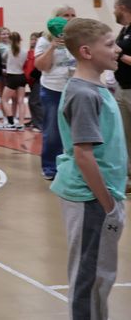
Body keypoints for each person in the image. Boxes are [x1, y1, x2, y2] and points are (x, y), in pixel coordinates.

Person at [50, 17, 126, 320]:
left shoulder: (97, 87)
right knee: (90, 277)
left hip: (100, 196)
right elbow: (84, 155)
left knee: (100, 275)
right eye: (109, 44)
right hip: (91, 198)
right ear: (86, 51)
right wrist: (107, 203)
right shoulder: (83, 93)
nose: (118, 49)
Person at [38, 6, 78, 180]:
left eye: (72, 15)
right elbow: (42, 66)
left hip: (76, 88)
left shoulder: (78, 37)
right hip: (53, 89)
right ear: (57, 18)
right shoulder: (44, 40)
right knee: (53, 131)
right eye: (65, 16)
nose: (69, 18)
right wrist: (53, 47)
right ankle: (50, 168)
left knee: (77, 130)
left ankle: (75, 166)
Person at [112, 0, 131, 188]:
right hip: (121, 89)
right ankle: (126, 178)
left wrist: (120, 55)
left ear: (123, 7)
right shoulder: (123, 31)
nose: (113, 11)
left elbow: (122, 55)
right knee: (124, 135)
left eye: (115, 7)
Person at [2, 31, 29, 130]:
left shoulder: (8, 50)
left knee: (4, 100)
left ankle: (11, 122)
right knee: (21, 101)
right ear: (20, 39)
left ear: (10, 39)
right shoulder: (25, 51)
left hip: (12, 77)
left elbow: (2, 60)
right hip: (21, 76)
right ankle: (21, 123)